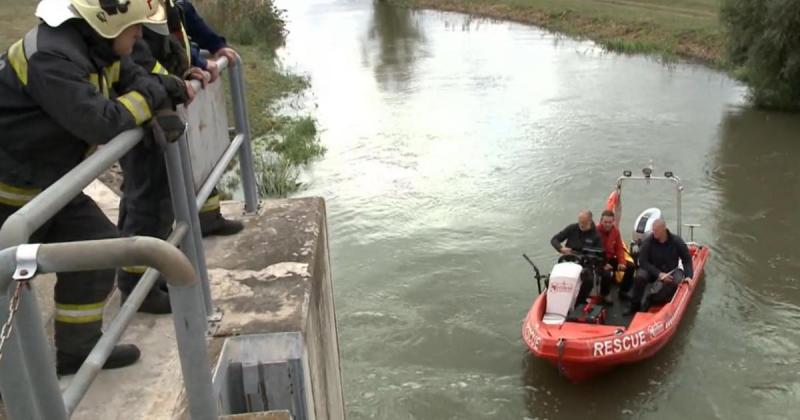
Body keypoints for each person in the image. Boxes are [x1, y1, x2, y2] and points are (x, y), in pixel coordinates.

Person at [0, 0, 187, 375]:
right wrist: (152, 98)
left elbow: (138, 79)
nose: (139, 35)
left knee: (99, 247)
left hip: (48, 189)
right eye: (134, 27)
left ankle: (77, 351)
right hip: (10, 197)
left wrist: (158, 94)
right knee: (6, 287)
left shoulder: (98, 48)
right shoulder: (51, 59)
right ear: (107, 24)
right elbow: (99, 123)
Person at [625, 219, 694, 315]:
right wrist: (659, 274)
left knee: (676, 281)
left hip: (670, 271)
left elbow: (686, 259)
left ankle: (652, 300)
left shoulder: (676, 241)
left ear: (663, 229)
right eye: (653, 230)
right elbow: (643, 261)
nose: (653, 232)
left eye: (656, 230)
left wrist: (689, 276)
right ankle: (634, 306)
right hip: (652, 270)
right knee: (640, 277)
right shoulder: (648, 242)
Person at [551, 210, 604, 305]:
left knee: (588, 280)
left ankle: (580, 301)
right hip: (568, 260)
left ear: (590, 221)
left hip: (585, 263)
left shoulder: (596, 235)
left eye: (584, 223)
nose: (581, 225)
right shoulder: (572, 228)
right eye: (580, 222)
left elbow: (599, 255)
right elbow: (554, 239)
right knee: (553, 276)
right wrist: (561, 248)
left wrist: (590, 259)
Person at [597, 210, 634, 301]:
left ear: (613, 222)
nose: (607, 224)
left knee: (631, 266)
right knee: (606, 273)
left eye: (610, 222)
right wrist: (603, 264)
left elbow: (619, 248)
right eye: (605, 222)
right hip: (598, 260)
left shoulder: (615, 232)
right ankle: (604, 294)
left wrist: (622, 262)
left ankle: (623, 290)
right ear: (601, 221)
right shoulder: (595, 231)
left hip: (610, 258)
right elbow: (593, 251)